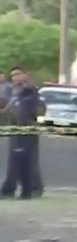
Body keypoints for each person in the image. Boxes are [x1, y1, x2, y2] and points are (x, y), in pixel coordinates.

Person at [0, 66, 40, 199]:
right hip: (15, 129)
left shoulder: (29, 90)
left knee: (28, 161)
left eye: (17, 74)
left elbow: (33, 108)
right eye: (12, 76)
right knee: (14, 160)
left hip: (27, 129)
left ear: (24, 75)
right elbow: (7, 108)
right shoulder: (14, 91)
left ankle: (32, 189)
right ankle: (9, 189)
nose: (15, 78)